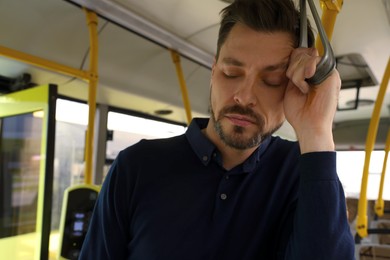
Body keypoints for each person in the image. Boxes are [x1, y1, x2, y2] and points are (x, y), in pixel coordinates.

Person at [79, 0, 355, 259]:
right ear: (213, 71)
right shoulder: (136, 167)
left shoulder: (303, 172)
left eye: (271, 80)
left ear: (293, 86)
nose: (244, 96)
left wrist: (316, 132)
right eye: (231, 73)